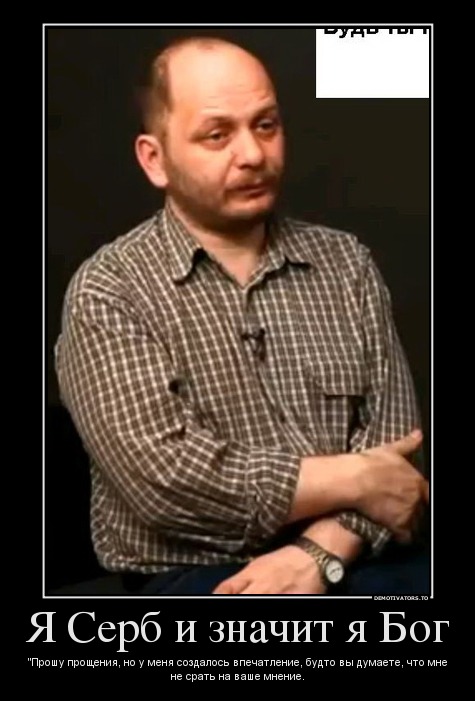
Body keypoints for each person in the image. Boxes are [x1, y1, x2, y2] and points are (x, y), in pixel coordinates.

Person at [54, 36, 430, 596]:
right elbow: (167, 483)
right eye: (217, 134)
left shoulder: (345, 262)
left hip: (359, 555)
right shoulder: (109, 290)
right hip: (205, 576)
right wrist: (353, 477)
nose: (253, 153)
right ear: (154, 159)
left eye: (266, 125)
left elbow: (397, 455)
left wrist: (319, 552)